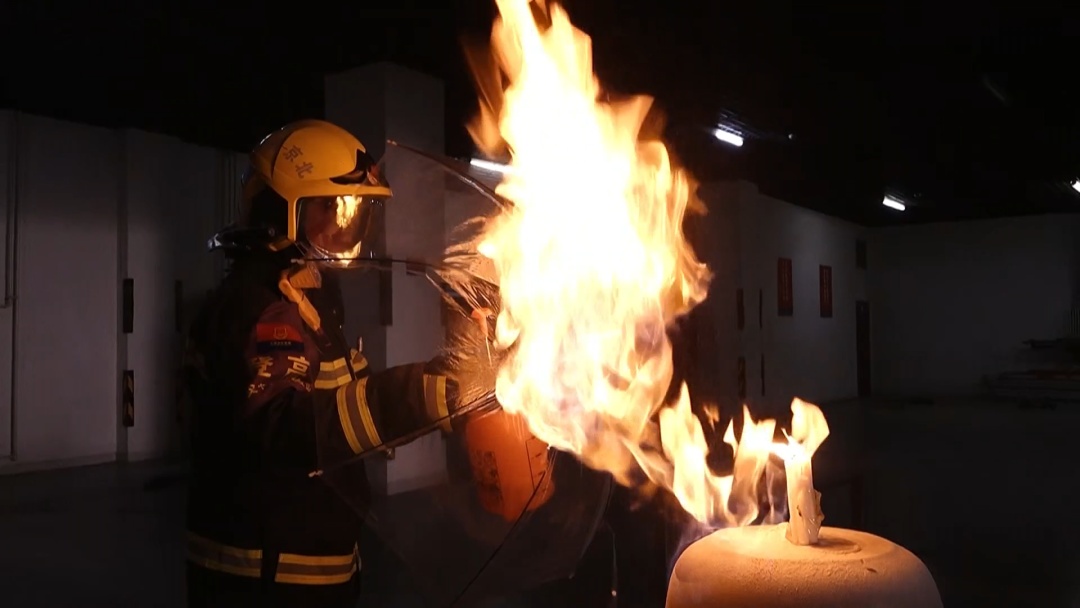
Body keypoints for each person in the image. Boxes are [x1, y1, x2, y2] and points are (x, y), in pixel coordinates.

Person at [182, 119, 464, 608]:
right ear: (281, 211)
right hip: (268, 578)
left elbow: (343, 403)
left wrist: (447, 376)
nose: (341, 225)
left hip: (311, 565)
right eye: (327, 207)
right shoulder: (264, 305)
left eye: (354, 210)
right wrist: (417, 394)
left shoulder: (308, 295)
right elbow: (286, 425)